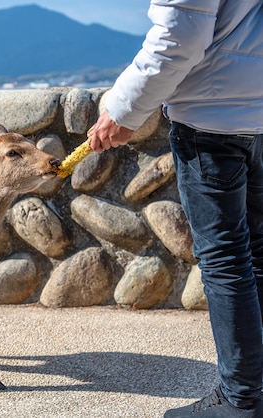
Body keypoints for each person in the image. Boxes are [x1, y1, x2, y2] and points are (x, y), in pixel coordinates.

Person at [87, 1, 263, 417]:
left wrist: (122, 109)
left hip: (211, 119)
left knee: (225, 260)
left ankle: (241, 400)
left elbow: (179, 35)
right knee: (257, 254)